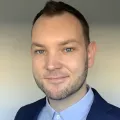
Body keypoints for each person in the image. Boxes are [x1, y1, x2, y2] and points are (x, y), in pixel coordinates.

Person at [15, 0, 120, 120]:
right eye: (40, 51)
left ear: (89, 54)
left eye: (68, 49)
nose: (51, 65)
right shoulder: (23, 115)